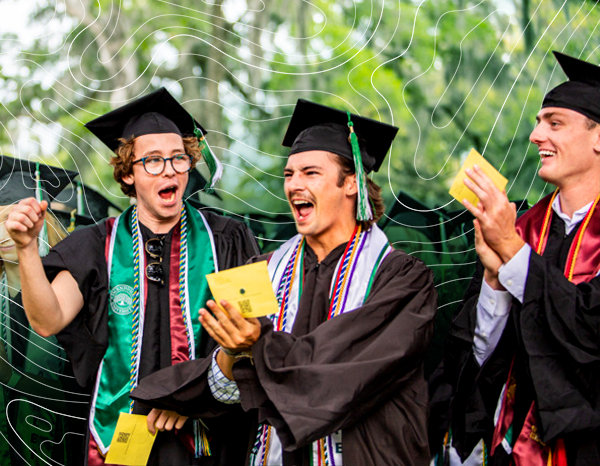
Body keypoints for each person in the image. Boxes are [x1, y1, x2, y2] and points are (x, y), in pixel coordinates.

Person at [131, 99, 438, 465]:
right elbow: (231, 373)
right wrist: (207, 376)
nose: (294, 185)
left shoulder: (403, 280)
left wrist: (254, 349)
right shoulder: (258, 270)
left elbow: (338, 371)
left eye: (310, 173)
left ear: (352, 182)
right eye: (289, 174)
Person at [6, 88, 259, 465]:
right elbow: (48, 319)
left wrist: (191, 396)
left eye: (179, 158)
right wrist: (27, 250)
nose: (170, 169)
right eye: (153, 161)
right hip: (121, 437)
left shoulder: (229, 239)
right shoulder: (96, 246)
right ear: (128, 173)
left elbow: (254, 333)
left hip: (207, 437)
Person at [429, 52, 600, 465]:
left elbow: (589, 332)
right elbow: (480, 358)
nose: (536, 134)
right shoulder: (523, 227)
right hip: (512, 448)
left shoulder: (513, 236)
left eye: (554, 123)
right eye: (539, 121)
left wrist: (513, 253)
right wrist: (492, 281)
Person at [0, 156, 88, 465]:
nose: (5, 234)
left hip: (57, 435)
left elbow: (81, 386)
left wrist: (13, 378)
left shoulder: (68, 291)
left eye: (13, 219)